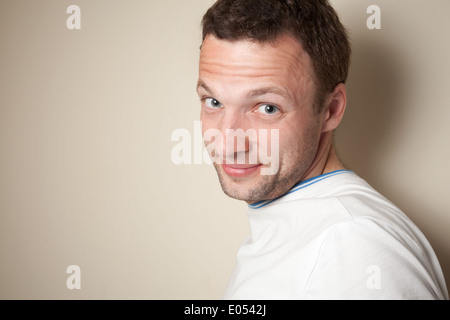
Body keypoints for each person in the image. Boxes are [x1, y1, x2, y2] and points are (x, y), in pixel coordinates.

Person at [196, 0, 448, 299]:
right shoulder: (297, 224)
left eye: (267, 107)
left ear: (330, 109)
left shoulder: (356, 245)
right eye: (214, 102)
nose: (227, 141)